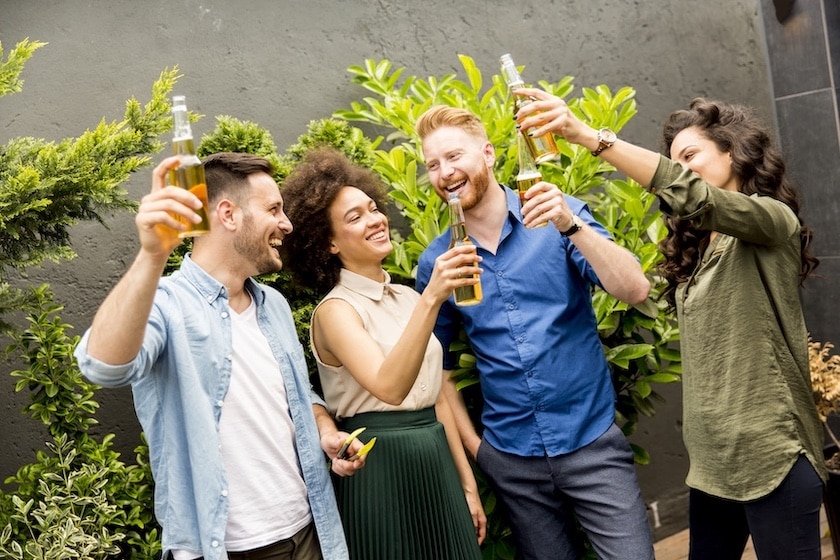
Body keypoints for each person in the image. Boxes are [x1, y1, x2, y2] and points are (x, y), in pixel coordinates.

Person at [515, 91, 827, 560]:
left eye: (690, 155)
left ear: (732, 153)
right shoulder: (702, 248)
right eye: (674, 160)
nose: (681, 167)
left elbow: (696, 197)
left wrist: (585, 136)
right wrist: (568, 222)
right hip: (713, 464)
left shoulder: (771, 222)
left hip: (773, 455)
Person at [74, 152, 361, 560]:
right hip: (228, 548)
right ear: (228, 214)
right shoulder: (166, 306)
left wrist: (325, 433)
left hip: (309, 532)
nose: (287, 224)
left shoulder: (273, 305)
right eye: (274, 209)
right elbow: (100, 366)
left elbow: (300, 399)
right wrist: (152, 254)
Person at [414, 105, 655, 560]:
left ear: (486, 153)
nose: (444, 172)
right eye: (432, 164)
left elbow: (635, 288)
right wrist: (478, 450)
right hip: (511, 459)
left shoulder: (556, 216)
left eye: (453, 156)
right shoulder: (436, 262)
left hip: (591, 444)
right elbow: (437, 369)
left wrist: (571, 223)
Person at [280, 147, 487, 560]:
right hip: (379, 468)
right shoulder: (336, 311)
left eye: (372, 208)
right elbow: (390, 388)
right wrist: (434, 297)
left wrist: (467, 483)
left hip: (435, 458)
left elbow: (438, 397)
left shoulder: (409, 298)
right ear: (329, 244)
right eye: (354, 217)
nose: (375, 220)